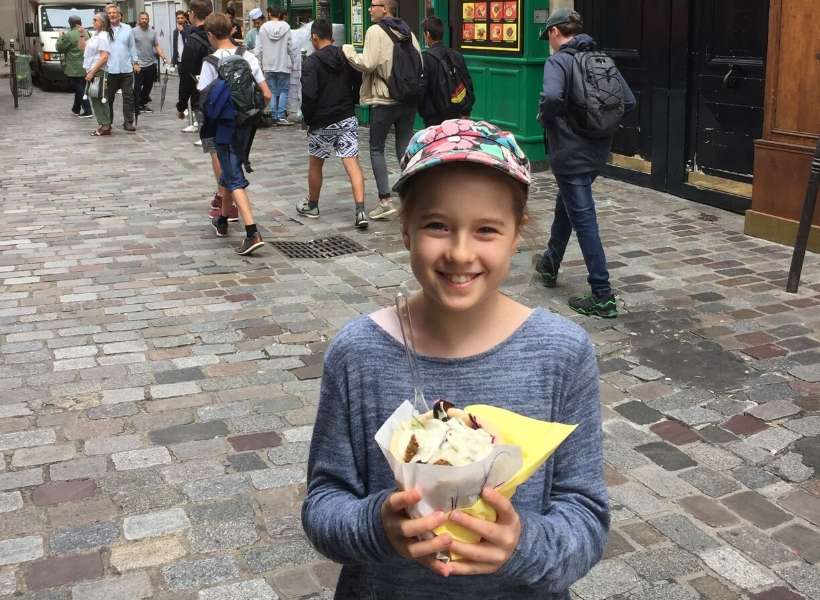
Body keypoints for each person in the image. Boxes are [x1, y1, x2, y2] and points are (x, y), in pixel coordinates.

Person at [302, 119, 608, 599]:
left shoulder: (561, 353)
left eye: (486, 229)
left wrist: (521, 544)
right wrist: (378, 524)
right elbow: (323, 505)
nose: (460, 253)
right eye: (437, 226)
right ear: (405, 228)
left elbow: (585, 515)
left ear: (516, 234)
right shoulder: (357, 354)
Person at [535, 8, 635, 318]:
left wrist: (546, 117)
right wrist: (598, 125)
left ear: (555, 32)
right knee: (566, 205)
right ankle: (550, 264)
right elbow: (629, 101)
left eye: (548, 36)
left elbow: (551, 98)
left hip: (569, 151)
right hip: (596, 151)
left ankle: (602, 295)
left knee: (584, 219)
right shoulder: (602, 59)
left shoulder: (558, 61)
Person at [342, 0, 422, 221]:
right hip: (407, 99)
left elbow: (367, 63)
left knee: (376, 148)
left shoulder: (374, 30)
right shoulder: (407, 31)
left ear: (385, 9)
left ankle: (385, 201)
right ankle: (412, 198)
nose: (369, 8)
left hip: (384, 99)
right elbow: (420, 61)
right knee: (404, 148)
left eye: (374, 4)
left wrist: (348, 50)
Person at [200, 12, 272, 256]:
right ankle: (222, 220)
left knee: (232, 175)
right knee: (231, 169)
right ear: (231, 31)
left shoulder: (211, 62)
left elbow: (204, 99)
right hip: (246, 125)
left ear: (210, 34)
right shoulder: (247, 56)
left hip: (223, 127)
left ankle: (252, 232)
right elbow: (267, 94)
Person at [298, 19, 367, 229]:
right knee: (351, 162)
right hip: (345, 116)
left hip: (321, 120)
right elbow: (358, 82)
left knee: (316, 163)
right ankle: (360, 211)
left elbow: (309, 95)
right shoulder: (345, 57)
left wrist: (308, 119)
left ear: (314, 38)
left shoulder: (311, 62)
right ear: (333, 37)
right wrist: (351, 102)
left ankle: (313, 205)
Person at [418, 16, 474, 127]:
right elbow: (468, 84)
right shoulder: (457, 55)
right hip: (456, 113)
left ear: (427, 34)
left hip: (434, 118)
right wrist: (466, 111)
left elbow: (421, 90)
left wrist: (424, 112)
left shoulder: (426, 58)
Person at [104, 4, 139, 133]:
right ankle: (107, 122)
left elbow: (132, 47)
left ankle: (128, 122)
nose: (112, 15)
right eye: (110, 13)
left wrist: (135, 62)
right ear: (107, 16)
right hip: (110, 70)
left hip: (126, 69)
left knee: (128, 97)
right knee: (108, 98)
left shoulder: (127, 28)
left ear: (119, 15)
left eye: (115, 13)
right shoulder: (104, 31)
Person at [255, 7, 293, 125]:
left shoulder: (263, 28)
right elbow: (290, 46)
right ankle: (281, 116)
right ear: (280, 14)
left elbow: (259, 49)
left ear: (270, 14)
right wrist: (292, 61)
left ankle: (273, 115)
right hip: (283, 63)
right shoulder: (286, 27)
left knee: (272, 90)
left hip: (268, 64)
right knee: (283, 90)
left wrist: (260, 63)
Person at [57, 15, 93, 118]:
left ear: (70, 24)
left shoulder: (69, 35)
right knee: (80, 87)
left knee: (79, 88)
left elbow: (60, 48)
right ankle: (76, 109)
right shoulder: (87, 33)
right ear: (80, 22)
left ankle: (88, 110)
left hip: (74, 67)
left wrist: (60, 37)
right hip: (86, 65)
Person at [133, 11, 168, 113]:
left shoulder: (152, 32)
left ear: (148, 20)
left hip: (150, 63)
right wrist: (133, 62)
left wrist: (164, 58)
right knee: (137, 87)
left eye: (146, 19)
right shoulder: (133, 31)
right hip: (138, 64)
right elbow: (130, 47)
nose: (144, 20)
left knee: (148, 86)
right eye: (142, 19)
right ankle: (137, 105)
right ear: (139, 20)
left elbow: (156, 46)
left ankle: (142, 104)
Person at [83, 12, 112, 136]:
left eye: (96, 20)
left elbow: (104, 57)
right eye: (93, 20)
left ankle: (105, 126)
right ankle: (104, 124)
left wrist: (92, 72)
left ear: (103, 23)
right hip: (93, 70)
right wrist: (81, 35)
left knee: (99, 99)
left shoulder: (103, 36)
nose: (93, 22)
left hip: (98, 71)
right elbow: (82, 47)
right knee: (96, 99)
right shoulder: (95, 35)